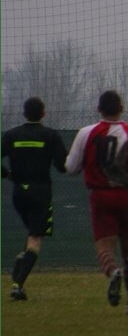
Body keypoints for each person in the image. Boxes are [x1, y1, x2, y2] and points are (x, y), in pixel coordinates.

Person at [65, 90, 128, 314]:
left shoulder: (86, 133)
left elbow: (71, 168)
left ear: (99, 109)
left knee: (104, 246)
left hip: (101, 196)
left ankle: (113, 272)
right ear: (121, 108)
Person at [1, 97, 68, 301]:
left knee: (31, 232)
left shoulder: (12, 135)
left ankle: (22, 258)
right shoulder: (50, 136)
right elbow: (62, 166)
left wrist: (7, 174)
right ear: (43, 113)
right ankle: (17, 285)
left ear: (24, 113)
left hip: (19, 192)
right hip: (40, 191)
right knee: (36, 238)